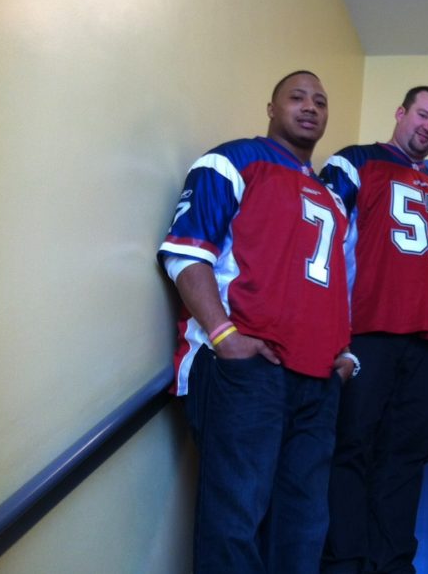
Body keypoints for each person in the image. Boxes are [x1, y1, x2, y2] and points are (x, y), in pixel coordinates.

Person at [158, 70, 354, 573]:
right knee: (235, 518)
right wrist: (224, 336)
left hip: (317, 381)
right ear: (271, 107)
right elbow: (187, 254)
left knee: (303, 525)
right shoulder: (232, 161)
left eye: (320, 101)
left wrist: (344, 352)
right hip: (247, 372)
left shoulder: (332, 197)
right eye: (297, 97)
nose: (310, 107)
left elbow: (334, 284)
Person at [321, 86, 428, 573]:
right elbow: (322, 245)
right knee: (352, 447)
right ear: (400, 113)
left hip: (426, 345)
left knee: (407, 455)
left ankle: (392, 562)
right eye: (423, 115)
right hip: (367, 332)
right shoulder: (354, 163)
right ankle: (343, 561)